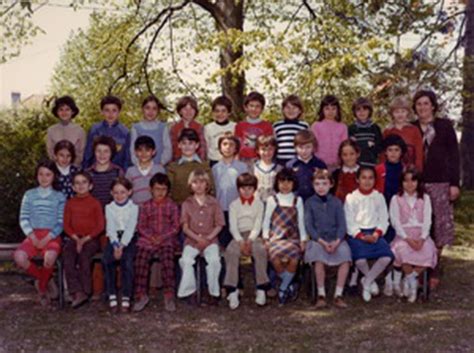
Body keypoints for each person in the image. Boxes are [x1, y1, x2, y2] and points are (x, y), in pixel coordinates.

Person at [412, 89, 460, 289]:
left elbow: (454, 156)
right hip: (416, 183)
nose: (422, 107)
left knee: (439, 227)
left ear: (432, 105)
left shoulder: (444, 126)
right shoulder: (411, 128)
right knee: (419, 225)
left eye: (426, 103)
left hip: (441, 182)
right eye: (419, 104)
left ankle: (434, 267)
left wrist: (454, 183)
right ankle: (415, 267)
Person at [13, 160, 66, 306]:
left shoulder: (59, 196)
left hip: (52, 235)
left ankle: (42, 289)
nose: (44, 177)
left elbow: (61, 222)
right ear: (36, 176)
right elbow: (23, 218)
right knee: (19, 257)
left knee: (49, 258)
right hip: (33, 235)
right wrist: (32, 236)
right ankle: (46, 279)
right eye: (41, 174)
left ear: (54, 176)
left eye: (48, 174)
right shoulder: (29, 195)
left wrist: (48, 237)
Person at [344, 166, 393, 302]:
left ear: (375, 180)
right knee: (360, 260)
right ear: (357, 179)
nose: (367, 181)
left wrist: (376, 234)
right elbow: (349, 221)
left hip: (375, 233)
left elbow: (384, 219)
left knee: (386, 257)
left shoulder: (378, 197)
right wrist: (360, 236)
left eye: (370, 178)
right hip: (357, 234)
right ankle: (371, 281)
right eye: (363, 178)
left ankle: (367, 281)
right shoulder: (351, 198)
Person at [133, 173, 180, 312]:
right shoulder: (145, 206)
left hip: (167, 240)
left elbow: (176, 226)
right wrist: (151, 237)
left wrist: (162, 237)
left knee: (167, 261)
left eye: (163, 189)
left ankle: (169, 295)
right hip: (148, 240)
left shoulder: (171, 205)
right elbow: (141, 226)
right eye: (157, 189)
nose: (160, 192)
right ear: (150, 189)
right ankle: (141, 295)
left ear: (168, 191)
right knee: (141, 261)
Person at [304, 169, 351, 309]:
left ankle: (338, 294)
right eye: (317, 184)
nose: (321, 187)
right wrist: (322, 242)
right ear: (313, 185)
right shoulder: (309, 203)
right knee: (318, 258)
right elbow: (309, 226)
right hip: (318, 240)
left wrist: (337, 241)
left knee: (345, 256)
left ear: (331, 184)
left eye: (324, 183)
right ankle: (321, 294)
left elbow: (342, 225)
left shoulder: (336, 202)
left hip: (335, 239)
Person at [178, 169, 225, 305]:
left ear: (207, 184)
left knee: (214, 260)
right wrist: (198, 239)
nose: (198, 185)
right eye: (195, 182)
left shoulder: (214, 203)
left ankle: (212, 292)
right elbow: (185, 227)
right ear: (190, 185)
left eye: (202, 182)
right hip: (192, 240)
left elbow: (219, 224)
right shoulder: (187, 204)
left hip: (210, 240)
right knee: (186, 260)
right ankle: (190, 292)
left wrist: (208, 238)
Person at [389, 169, 437, 302]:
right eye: (406, 180)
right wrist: (407, 239)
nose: (410, 184)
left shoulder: (425, 198)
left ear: (418, 182)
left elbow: (428, 220)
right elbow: (395, 221)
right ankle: (412, 286)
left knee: (428, 252)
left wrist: (422, 238)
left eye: (413, 180)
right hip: (404, 235)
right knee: (403, 252)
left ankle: (410, 279)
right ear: (401, 182)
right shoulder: (396, 199)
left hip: (421, 233)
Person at [262, 168, 307, 305]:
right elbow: (266, 221)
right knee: (275, 258)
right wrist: (265, 238)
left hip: (292, 238)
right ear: (277, 183)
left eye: (289, 182)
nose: (285, 185)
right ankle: (289, 284)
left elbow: (301, 222)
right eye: (282, 181)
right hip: (276, 237)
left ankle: (282, 287)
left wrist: (303, 239)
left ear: (294, 183)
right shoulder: (272, 200)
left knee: (294, 259)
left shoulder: (297, 200)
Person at [224, 173, 269, 309]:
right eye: (243, 188)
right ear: (238, 189)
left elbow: (258, 224)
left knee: (260, 250)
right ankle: (232, 290)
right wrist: (240, 241)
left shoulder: (259, 204)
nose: (246, 191)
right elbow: (233, 226)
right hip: (238, 236)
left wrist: (250, 240)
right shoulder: (234, 205)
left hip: (253, 235)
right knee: (231, 252)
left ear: (254, 189)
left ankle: (261, 288)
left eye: (250, 188)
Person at [63, 171, 104, 308]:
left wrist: (85, 239)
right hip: (74, 237)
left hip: (90, 239)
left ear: (90, 186)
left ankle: (86, 291)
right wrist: (75, 238)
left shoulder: (95, 203)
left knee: (84, 257)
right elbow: (66, 225)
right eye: (77, 183)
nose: (81, 186)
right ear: (73, 187)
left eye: (84, 182)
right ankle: (76, 291)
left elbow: (100, 225)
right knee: (68, 256)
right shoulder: (70, 203)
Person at [102, 177, 138, 313]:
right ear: (111, 193)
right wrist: (115, 244)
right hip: (114, 238)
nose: (119, 196)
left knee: (127, 261)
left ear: (129, 192)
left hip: (129, 238)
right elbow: (110, 227)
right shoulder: (109, 208)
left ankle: (126, 295)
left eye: (122, 192)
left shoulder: (134, 208)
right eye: (116, 192)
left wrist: (122, 245)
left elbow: (130, 228)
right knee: (107, 260)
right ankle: (111, 294)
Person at [212, 133, 248, 247]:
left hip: (237, 209)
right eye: (225, 144)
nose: (227, 147)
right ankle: (223, 262)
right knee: (222, 238)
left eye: (231, 145)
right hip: (220, 208)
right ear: (220, 148)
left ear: (236, 148)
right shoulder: (215, 168)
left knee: (235, 238)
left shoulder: (242, 167)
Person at [83, 95, 131, 170]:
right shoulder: (94, 129)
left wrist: (124, 176)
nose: (110, 114)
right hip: (96, 172)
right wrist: (85, 171)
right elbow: (87, 155)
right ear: (102, 112)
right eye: (107, 110)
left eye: (114, 110)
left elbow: (127, 159)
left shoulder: (125, 132)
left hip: (116, 174)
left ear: (119, 112)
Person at [167, 128, 214, 204]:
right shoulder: (172, 167)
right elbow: (169, 192)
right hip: (179, 208)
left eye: (190, 143)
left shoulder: (205, 166)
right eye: (184, 143)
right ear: (179, 145)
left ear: (197, 145)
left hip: (201, 208)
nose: (187, 146)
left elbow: (211, 190)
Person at [383, 96, 423, 172]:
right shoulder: (388, 131)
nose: (400, 114)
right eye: (397, 112)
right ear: (392, 113)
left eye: (403, 111)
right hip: (391, 170)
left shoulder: (414, 130)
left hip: (410, 170)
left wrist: (418, 169)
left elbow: (419, 152)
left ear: (407, 112)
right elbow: (383, 153)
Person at [130, 95, 172, 167]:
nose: (150, 111)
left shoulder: (163, 127)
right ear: (143, 109)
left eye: (154, 109)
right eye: (147, 108)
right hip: (141, 168)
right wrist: (139, 165)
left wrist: (161, 163)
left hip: (159, 167)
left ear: (158, 111)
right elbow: (132, 149)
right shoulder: (136, 128)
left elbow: (168, 148)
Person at [286, 130, 326, 202]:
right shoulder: (290, 165)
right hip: (295, 202)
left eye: (308, 147)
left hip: (315, 202)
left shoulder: (320, 165)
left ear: (313, 147)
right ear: (295, 147)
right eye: (301, 147)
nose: (304, 151)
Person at [235, 91, 273, 166]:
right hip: (243, 160)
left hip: (261, 159)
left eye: (257, 106)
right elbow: (237, 146)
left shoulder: (267, 126)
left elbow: (270, 146)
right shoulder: (239, 125)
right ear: (246, 108)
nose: (254, 109)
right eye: (251, 106)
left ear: (262, 109)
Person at [311, 95, 348, 172]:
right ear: (322, 110)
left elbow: (344, 147)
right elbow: (313, 146)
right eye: (327, 109)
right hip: (319, 165)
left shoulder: (343, 127)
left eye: (333, 108)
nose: (330, 112)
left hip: (337, 165)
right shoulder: (316, 126)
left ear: (338, 110)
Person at [46, 95, 86, 167]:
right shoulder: (51, 130)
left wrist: (73, 166)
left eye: (67, 109)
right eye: (61, 109)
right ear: (57, 112)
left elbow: (82, 152)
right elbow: (50, 151)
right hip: (56, 168)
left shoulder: (80, 131)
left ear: (72, 111)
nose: (64, 112)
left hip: (75, 168)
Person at [125, 136, 165, 205]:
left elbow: (164, 190)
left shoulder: (159, 170)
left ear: (153, 152)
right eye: (140, 150)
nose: (143, 154)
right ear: (135, 152)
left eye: (147, 150)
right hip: (136, 210)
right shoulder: (130, 171)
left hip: (155, 210)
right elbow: (126, 191)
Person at [86, 136, 124, 208]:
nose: (102, 154)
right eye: (98, 151)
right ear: (94, 152)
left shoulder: (118, 171)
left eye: (106, 151)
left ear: (111, 153)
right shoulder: (87, 173)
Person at [273, 95, 309, 165]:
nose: (291, 110)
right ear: (283, 110)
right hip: (280, 161)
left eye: (294, 108)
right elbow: (274, 144)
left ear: (300, 111)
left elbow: (309, 144)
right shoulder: (277, 125)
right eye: (288, 107)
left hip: (298, 162)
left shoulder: (304, 125)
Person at [170, 96, 207, 161]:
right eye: (185, 109)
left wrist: (201, 162)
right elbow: (171, 148)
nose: (188, 112)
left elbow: (202, 149)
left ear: (195, 111)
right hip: (177, 162)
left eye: (191, 109)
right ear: (180, 111)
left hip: (196, 161)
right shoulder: (174, 128)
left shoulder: (199, 127)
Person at [348, 97, 383, 167]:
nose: (362, 112)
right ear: (354, 112)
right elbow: (350, 147)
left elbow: (379, 147)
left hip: (371, 163)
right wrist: (366, 144)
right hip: (355, 164)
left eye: (365, 109)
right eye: (358, 109)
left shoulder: (375, 128)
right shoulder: (351, 128)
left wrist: (359, 143)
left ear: (369, 111)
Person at [204, 96, 237, 167]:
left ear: (229, 112)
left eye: (223, 111)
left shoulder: (235, 127)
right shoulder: (208, 128)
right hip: (214, 162)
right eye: (217, 111)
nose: (220, 114)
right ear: (213, 112)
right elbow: (206, 147)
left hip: (231, 161)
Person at [251, 135, 282, 202]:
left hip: (274, 202)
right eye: (263, 149)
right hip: (257, 202)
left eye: (270, 149)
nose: (267, 152)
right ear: (257, 150)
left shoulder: (279, 168)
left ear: (275, 150)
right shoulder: (253, 167)